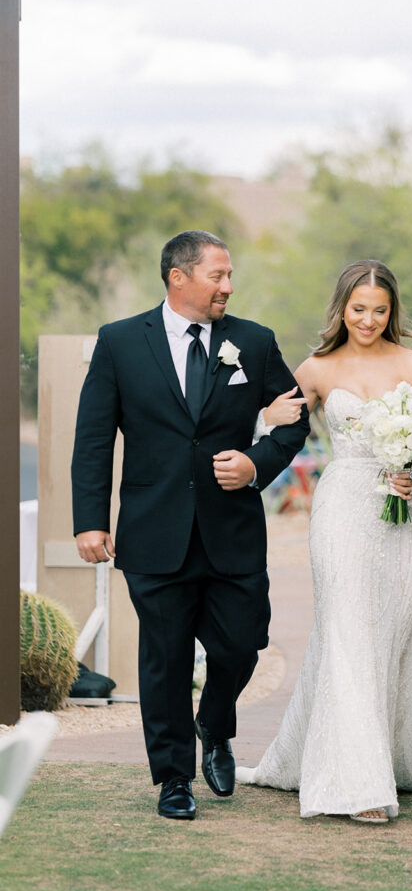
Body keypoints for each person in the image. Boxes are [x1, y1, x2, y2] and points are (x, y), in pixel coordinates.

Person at [71, 229, 309, 821]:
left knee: (242, 646)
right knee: (167, 658)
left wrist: (257, 463)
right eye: (217, 276)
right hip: (154, 532)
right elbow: (94, 437)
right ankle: (173, 779)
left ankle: (215, 722)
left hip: (232, 531)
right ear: (178, 277)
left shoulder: (253, 343)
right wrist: (89, 521)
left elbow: (295, 419)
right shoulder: (121, 342)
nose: (228, 286)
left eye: (229, 276)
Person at [236, 260, 412, 823]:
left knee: (388, 634)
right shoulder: (316, 368)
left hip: (403, 517)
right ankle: (358, 785)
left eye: (379, 310)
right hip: (341, 511)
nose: (368, 320)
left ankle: (389, 757)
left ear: (393, 311)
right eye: (358, 309)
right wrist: (264, 417)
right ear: (342, 307)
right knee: (347, 632)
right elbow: (273, 429)